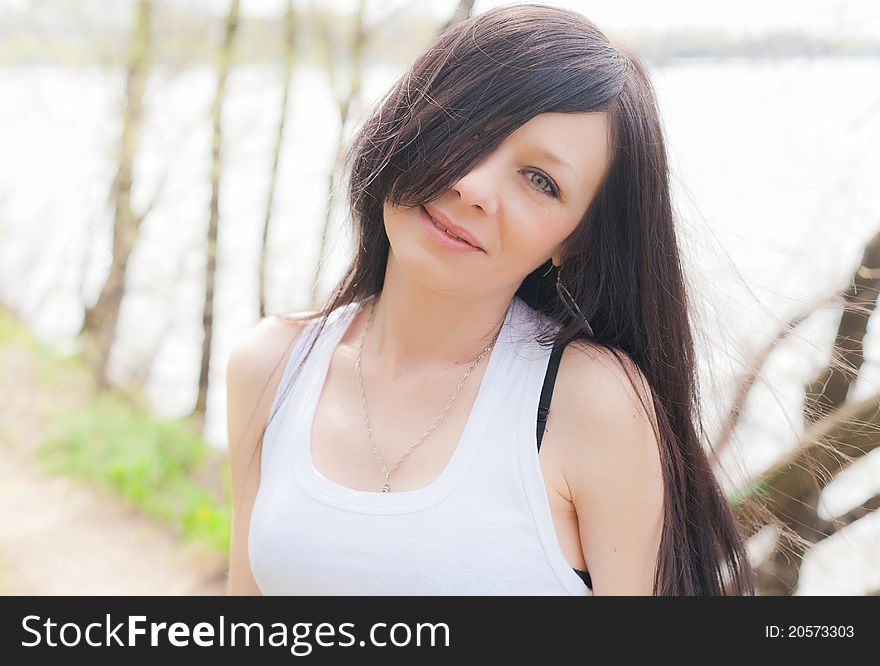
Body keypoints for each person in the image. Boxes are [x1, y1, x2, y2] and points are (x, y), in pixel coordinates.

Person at [226, 3, 755, 596]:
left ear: (574, 240)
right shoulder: (273, 365)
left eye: (540, 181)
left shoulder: (592, 405)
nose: (473, 188)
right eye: (468, 128)